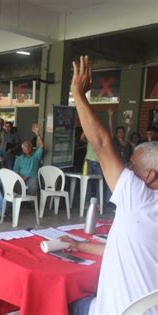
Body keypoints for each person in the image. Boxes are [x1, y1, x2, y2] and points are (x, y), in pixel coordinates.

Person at [62, 56, 158, 315]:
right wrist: (80, 246)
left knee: (58, 301)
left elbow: (102, 144)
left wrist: (77, 94)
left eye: (132, 166)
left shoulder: (138, 198)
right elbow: (132, 252)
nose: (125, 169)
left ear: (149, 176)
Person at [12, 123, 44, 196]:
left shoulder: (35, 156)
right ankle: (19, 200)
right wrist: (21, 177)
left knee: (34, 183)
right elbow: (15, 171)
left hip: (32, 178)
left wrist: (37, 134)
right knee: (13, 183)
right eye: (25, 147)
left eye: (29, 146)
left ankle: (28, 201)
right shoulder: (19, 159)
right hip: (21, 178)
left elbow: (41, 145)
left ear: (31, 148)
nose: (27, 148)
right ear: (23, 149)